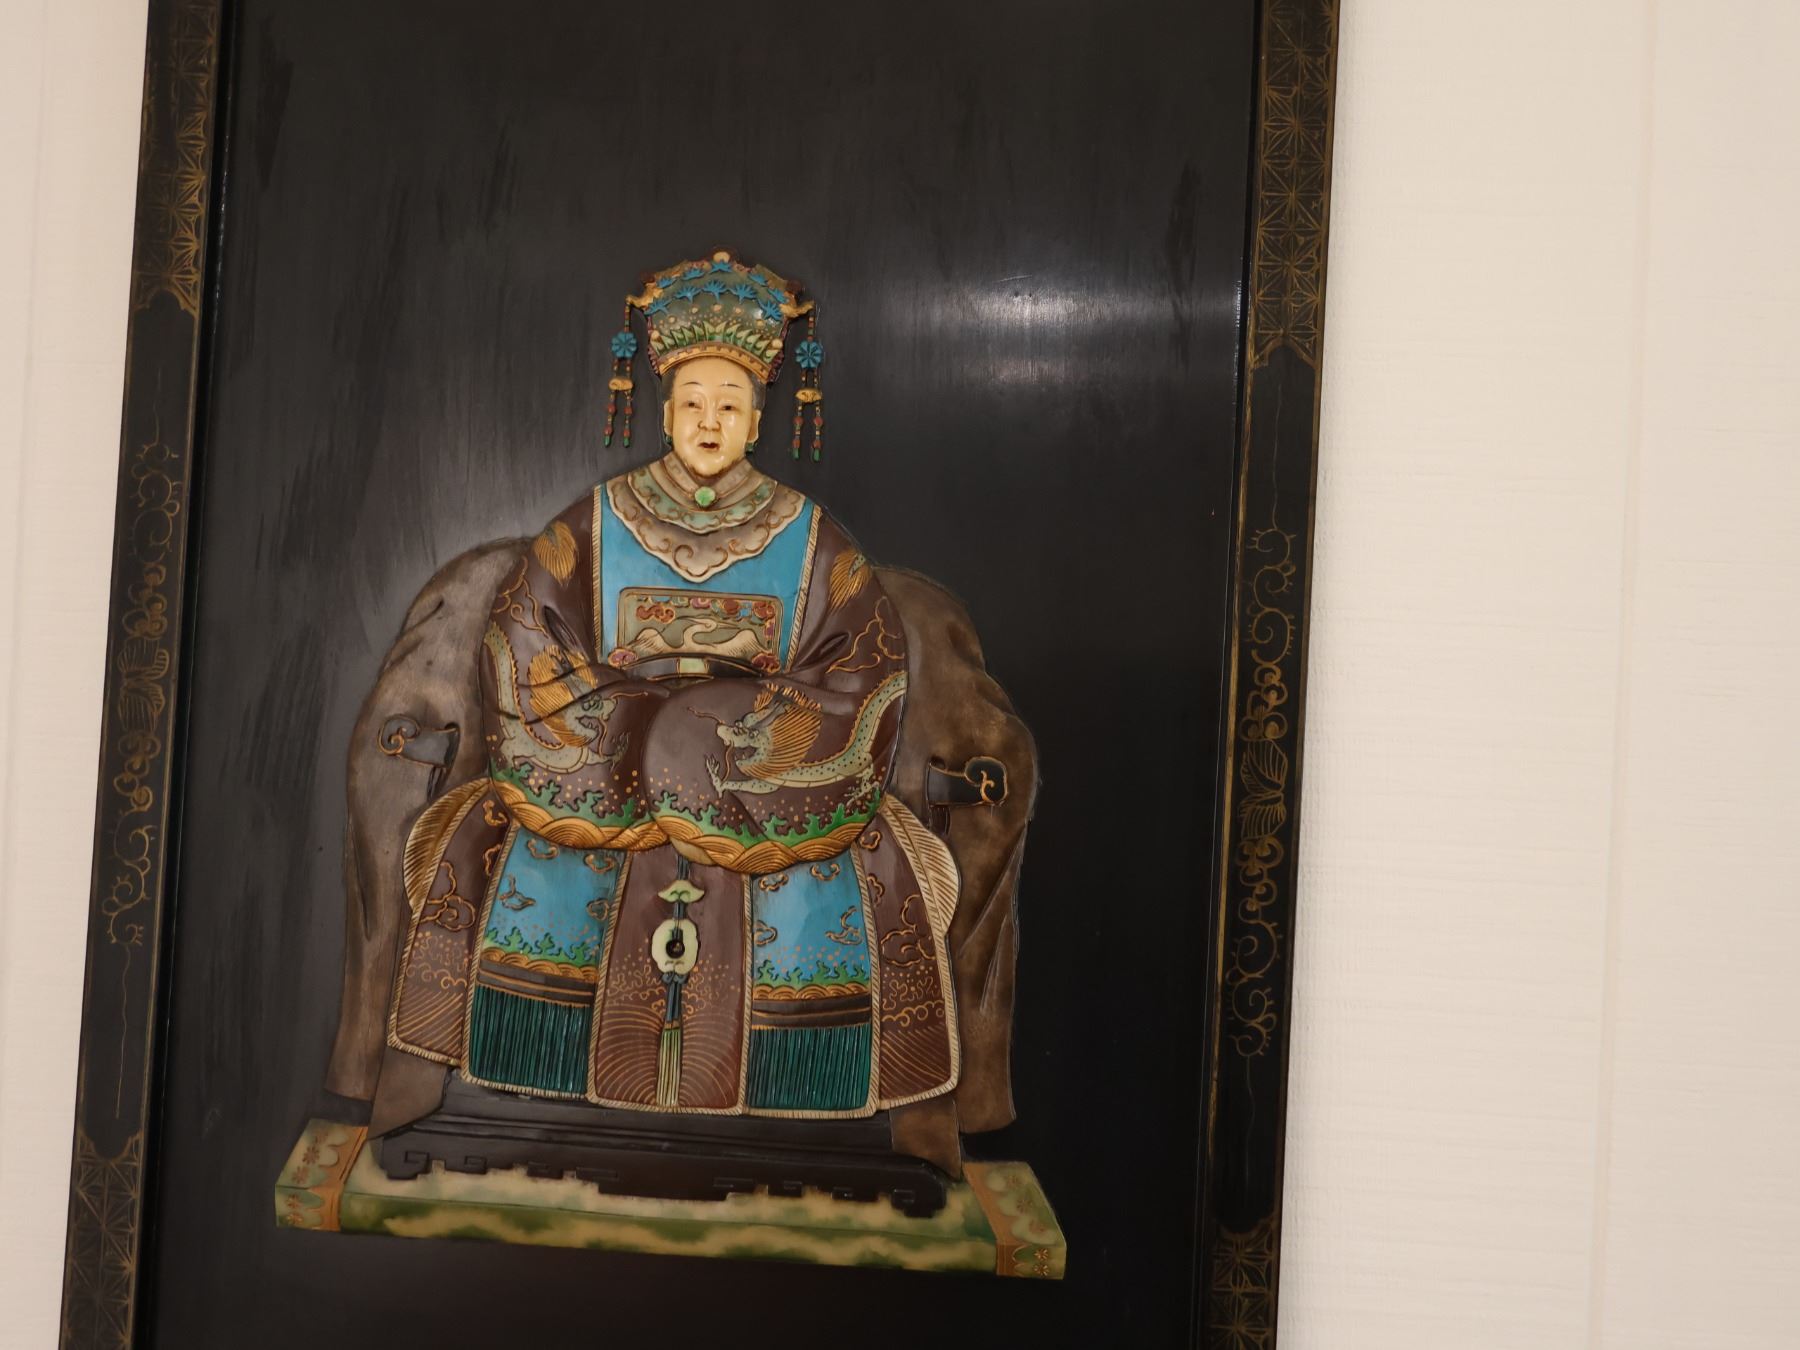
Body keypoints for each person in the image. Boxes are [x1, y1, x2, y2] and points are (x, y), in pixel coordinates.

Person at [384, 252, 968, 1125]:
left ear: (758, 419)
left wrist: (731, 730)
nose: (709, 421)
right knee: (494, 846)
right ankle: (529, 1079)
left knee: (867, 874)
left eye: (730, 405)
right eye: (692, 403)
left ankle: (794, 1087)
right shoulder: (596, 520)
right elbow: (526, 635)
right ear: (663, 412)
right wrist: (634, 732)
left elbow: (861, 667)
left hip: (751, 772)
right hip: (608, 759)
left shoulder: (810, 535)